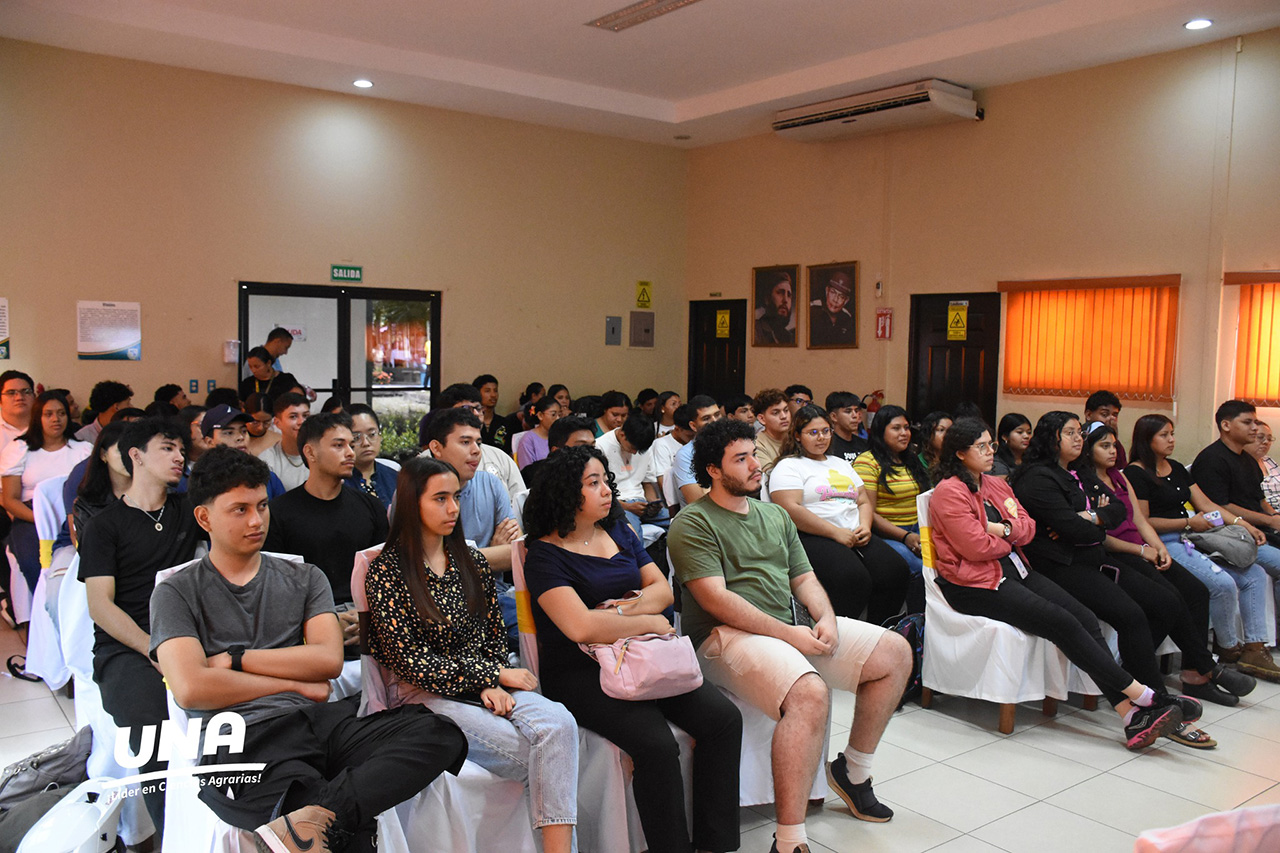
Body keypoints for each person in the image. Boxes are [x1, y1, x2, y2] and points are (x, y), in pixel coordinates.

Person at [152, 447, 466, 853]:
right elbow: (192, 688)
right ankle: (326, 817)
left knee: (439, 733)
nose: (256, 520)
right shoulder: (177, 590)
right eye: (240, 509)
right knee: (347, 831)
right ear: (204, 517)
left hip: (316, 721)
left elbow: (328, 661)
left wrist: (234, 659)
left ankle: (318, 817)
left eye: (263, 506)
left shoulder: (304, 577)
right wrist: (298, 685)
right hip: (239, 739)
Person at [670, 420, 911, 853]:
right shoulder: (693, 522)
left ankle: (853, 773)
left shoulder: (774, 514)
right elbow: (717, 601)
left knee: (894, 652)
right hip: (721, 639)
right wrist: (791, 635)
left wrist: (827, 618)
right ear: (712, 470)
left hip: (784, 630)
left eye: (753, 455)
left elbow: (803, 578)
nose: (754, 465)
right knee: (810, 694)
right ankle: (790, 840)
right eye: (740, 459)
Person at [524, 445, 742, 853]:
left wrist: (619, 611)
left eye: (605, 480)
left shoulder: (620, 530)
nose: (607, 490)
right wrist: (644, 619)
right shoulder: (544, 554)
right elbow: (580, 627)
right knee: (656, 743)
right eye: (594, 483)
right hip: (581, 670)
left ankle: (715, 843)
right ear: (565, 494)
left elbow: (661, 590)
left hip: (642, 653)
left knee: (723, 719)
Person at [928, 418, 1191, 750]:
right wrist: (1008, 537)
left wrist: (1002, 532)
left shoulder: (995, 484)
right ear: (960, 453)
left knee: (1081, 616)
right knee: (1061, 622)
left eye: (990, 445)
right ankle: (1145, 696)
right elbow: (975, 548)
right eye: (981, 446)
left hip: (1015, 570)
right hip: (974, 585)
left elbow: (1028, 528)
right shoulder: (948, 492)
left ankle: (1128, 714)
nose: (990, 452)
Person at [366, 456, 578, 853]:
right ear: (413, 503)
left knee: (561, 724)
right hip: (423, 696)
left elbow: (494, 635)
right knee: (545, 758)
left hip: (484, 681)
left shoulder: (472, 560)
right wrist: (484, 679)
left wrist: (490, 676)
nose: (452, 509)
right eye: (440, 499)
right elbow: (410, 660)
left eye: (456, 497)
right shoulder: (387, 571)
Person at [1009, 412, 1208, 732]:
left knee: (1157, 604)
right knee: (1130, 613)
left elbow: (1115, 512)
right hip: (1060, 565)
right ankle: (1152, 696)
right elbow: (1070, 528)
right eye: (1070, 433)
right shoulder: (1037, 478)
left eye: (1079, 433)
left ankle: (1147, 688)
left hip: (1091, 555)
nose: (1078, 439)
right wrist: (1088, 519)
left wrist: (1088, 518)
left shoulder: (1078, 470)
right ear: (1051, 438)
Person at [1076, 423, 1255, 710]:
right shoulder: (1085, 483)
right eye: (1104, 446)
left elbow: (1138, 520)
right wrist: (1143, 550)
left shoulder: (1119, 478)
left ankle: (1194, 673)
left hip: (1143, 548)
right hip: (1120, 553)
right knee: (1167, 601)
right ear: (1088, 450)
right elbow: (1101, 535)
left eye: (1113, 445)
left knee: (1196, 591)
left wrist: (1157, 548)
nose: (1112, 451)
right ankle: (1201, 669)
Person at [79, 418, 201, 829]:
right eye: (167, 448)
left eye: (182, 448)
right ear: (136, 456)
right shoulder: (104, 526)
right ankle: (171, 833)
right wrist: (152, 647)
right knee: (154, 730)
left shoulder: (190, 510)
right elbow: (101, 606)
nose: (179, 456)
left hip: (188, 638)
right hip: (126, 650)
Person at [1125, 414, 1280, 679]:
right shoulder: (1136, 473)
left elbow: (1207, 505)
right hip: (1165, 540)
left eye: (1172, 433)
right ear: (1146, 439)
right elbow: (1144, 521)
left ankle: (1254, 649)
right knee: (1222, 584)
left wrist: (1242, 524)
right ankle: (1228, 649)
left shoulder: (1175, 467)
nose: (1172, 440)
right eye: (1164, 435)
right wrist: (1186, 522)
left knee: (1254, 575)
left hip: (1195, 536)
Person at [264, 412, 389, 662]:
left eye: (350, 444)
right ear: (310, 452)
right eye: (338, 445)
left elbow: (386, 575)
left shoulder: (371, 507)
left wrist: (367, 618)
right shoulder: (279, 513)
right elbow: (277, 590)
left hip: (367, 619)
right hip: (307, 624)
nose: (350, 453)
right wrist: (327, 622)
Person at [769, 405, 910, 624]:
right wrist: (835, 533)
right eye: (813, 433)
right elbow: (790, 509)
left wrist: (865, 525)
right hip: (814, 535)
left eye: (826, 431)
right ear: (797, 436)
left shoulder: (841, 464)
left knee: (896, 571)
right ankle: (837, 633)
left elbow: (862, 500)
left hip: (855, 531)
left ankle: (878, 629)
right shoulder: (789, 466)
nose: (821, 438)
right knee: (853, 579)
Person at [1191, 400, 1280, 611]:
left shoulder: (1247, 459)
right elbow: (1221, 507)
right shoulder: (1211, 460)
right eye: (1248, 422)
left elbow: (1259, 501)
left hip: (1260, 531)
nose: (1255, 428)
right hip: (1232, 536)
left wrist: (1274, 516)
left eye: (1255, 422)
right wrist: (1268, 520)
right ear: (1226, 425)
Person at [1, 391, 92, 590]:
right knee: (32, 561)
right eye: (48, 414)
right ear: (37, 417)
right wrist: (42, 519)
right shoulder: (20, 449)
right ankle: (40, 610)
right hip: (30, 517)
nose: (56, 419)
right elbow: (9, 499)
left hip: (76, 515)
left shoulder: (83, 449)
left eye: (61, 413)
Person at [425, 408, 520, 571]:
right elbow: (427, 561)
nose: (476, 450)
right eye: (465, 442)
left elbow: (515, 553)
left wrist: (457, 559)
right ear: (436, 448)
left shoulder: (491, 483)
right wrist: (491, 552)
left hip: (495, 591)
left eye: (479, 442)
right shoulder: (416, 489)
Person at [854, 405, 929, 605]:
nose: (904, 433)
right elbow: (868, 512)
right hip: (886, 534)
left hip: (918, 530)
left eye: (907, 427)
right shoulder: (867, 462)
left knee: (945, 564)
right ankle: (914, 624)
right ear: (880, 431)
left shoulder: (910, 459)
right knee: (919, 568)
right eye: (896, 428)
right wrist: (905, 537)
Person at [421, 383, 526, 500]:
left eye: (478, 408)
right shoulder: (423, 464)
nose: (476, 414)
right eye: (467, 409)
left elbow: (519, 503)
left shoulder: (500, 457)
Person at [595, 410, 665, 537]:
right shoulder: (600, 447)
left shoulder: (643, 446)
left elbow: (647, 482)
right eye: (633, 448)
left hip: (641, 503)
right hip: (618, 503)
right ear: (622, 435)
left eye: (638, 450)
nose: (634, 453)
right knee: (633, 537)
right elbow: (599, 492)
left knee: (681, 523)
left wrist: (653, 502)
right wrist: (628, 507)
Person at [202, 404, 287, 498]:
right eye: (229, 433)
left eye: (244, 431)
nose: (240, 437)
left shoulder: (267, 477)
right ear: (209, 442)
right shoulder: (202, 480)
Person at [342, 404, 399, 509]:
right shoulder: (339, 482)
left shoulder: (395, 478)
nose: (366, 443)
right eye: (356, 437)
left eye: (372, 434)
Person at [670, 396, 724, 507]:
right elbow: (697, 502)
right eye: (706, 418)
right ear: (693, 426)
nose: (714, 421)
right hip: (704, 518)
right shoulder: (686, 454)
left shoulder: (732, 445)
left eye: (717, 415)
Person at [520, 415, 595, 490]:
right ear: (556, 452)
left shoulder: (598, 475)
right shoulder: (533, 480)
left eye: (593, 447)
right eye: (581, 447)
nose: (590, 453)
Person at [257, 392, 310, 491]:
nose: (301, 422)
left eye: (305, 416)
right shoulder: (267, 461)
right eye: (293, 416)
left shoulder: (321, 455)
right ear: (277, 423)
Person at [650, 402, 693, 495]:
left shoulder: (696, 443)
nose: (693, 439)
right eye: (690, 436)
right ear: (677, 429)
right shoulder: (661, 444)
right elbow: (663, 482)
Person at [809, 271, 855, 346]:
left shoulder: (848, 319)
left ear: (846, 301)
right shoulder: (812, 311)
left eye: (841, 296)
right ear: (827, 291)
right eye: (833, 292)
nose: (835, 300)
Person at [517, 396, 561, 470]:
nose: (558, 418)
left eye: (559, 414)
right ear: (540, 415)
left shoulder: (560, 436)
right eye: (553, 414)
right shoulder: (528, 440)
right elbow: (526, 471)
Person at [1084, 390, 1126, 468]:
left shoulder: (1117, 445)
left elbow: (1121, 469)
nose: (1111, 419)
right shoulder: (1081, 440)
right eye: (1104, 414)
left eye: (1115, 415)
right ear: (1088, 415)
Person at [752, 388, 791, 472]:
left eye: (786, 410)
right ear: (762, 419)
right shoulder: (756, 444)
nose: (784, 416)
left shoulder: (798, 436)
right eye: (776, 413)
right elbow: (772, 475)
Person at [825, 391, 869, 462]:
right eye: (848, 411)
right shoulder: (826, 445)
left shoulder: (865, 444)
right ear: (833, 417)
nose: (855, 415)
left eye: (856, 411)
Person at [754, 270, 795, 345]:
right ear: (767, 299)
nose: (785, 300)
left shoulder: (790, 338)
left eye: (789, 295)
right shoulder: (754, 331)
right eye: (780, 292)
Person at [0, 371, 35, 457]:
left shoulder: (49, 427)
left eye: (26, 391)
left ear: (34, 396)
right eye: (11, 393)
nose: (19, 397)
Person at [1249, 421, 1280, 512]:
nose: (1266, 442)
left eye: (1269, 439)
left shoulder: (1268, 461)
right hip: (1266, 514)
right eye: (1260, 437)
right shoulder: (1239, 464)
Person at [471, 373, 509, 449]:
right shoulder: (470, 423)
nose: (493, 395)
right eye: (487, 391)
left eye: (495, 391)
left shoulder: (504, 423)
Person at [990, 413, 1032, 479]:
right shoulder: (997, 464)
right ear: (1005, 437)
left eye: (1029, 432)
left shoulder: (1030, 459)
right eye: (1020, 432)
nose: (1026, 436)